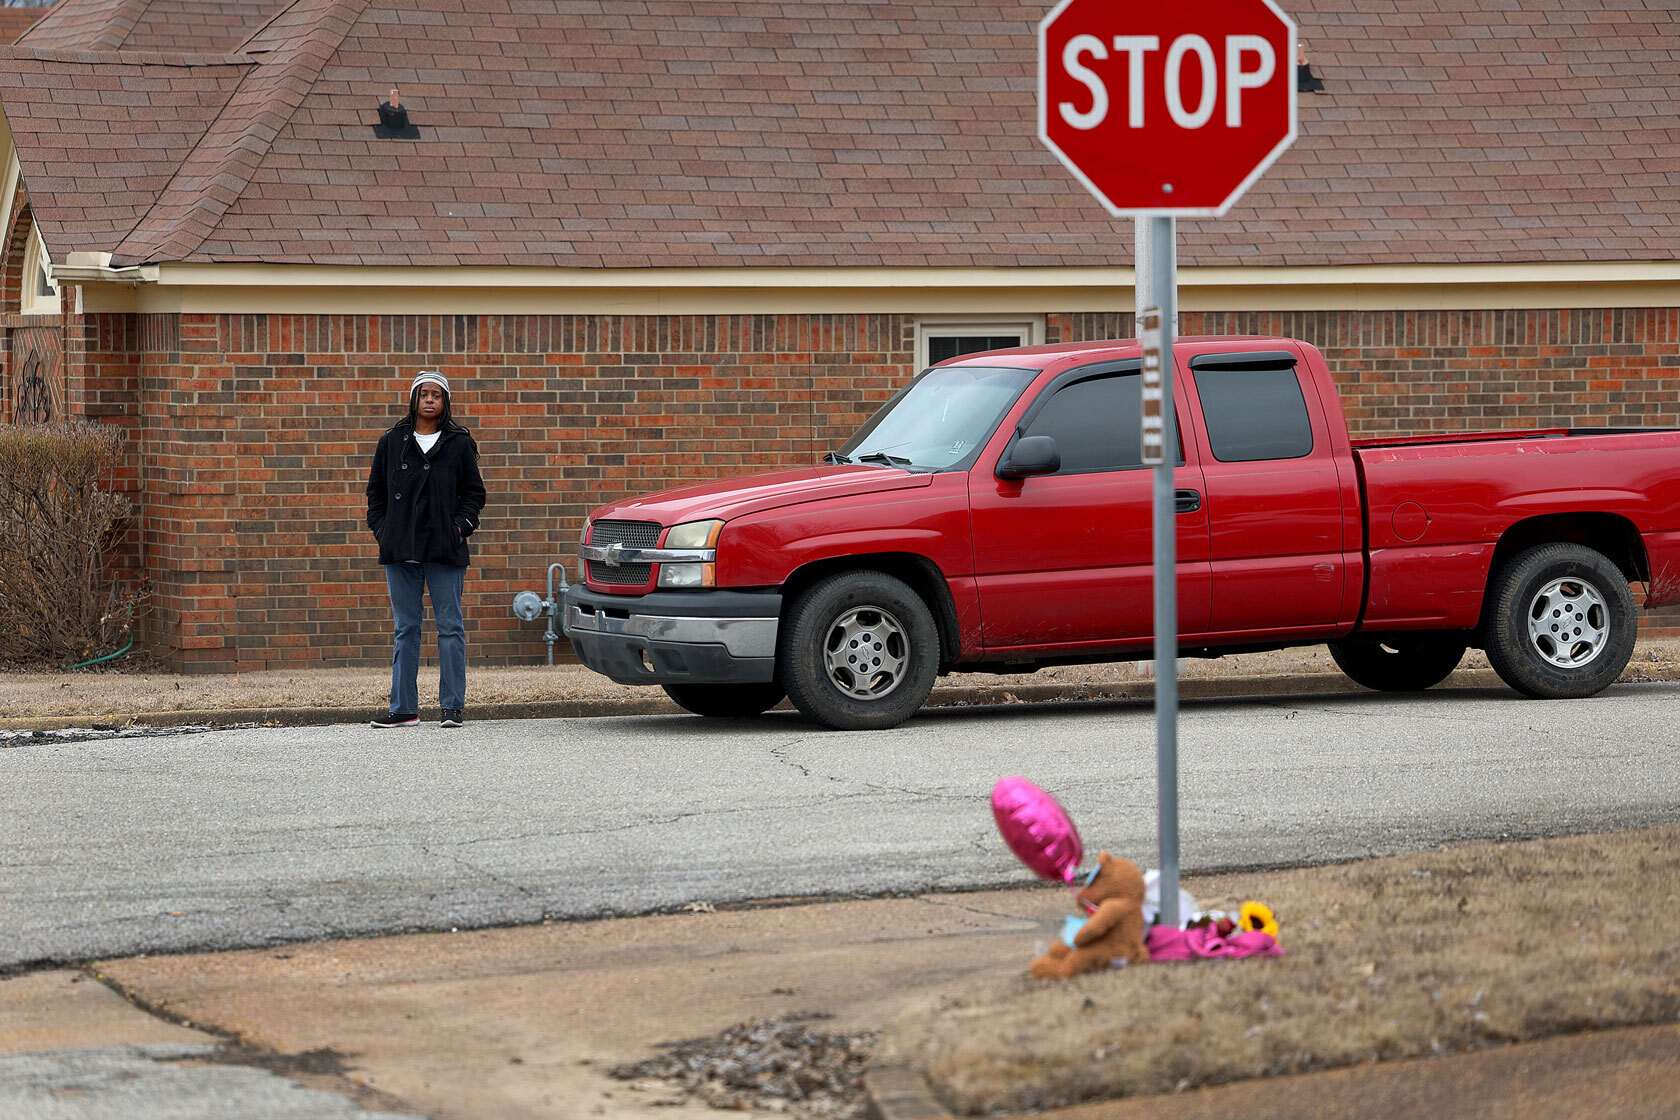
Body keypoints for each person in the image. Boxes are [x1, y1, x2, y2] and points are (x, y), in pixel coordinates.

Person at [365, 371, 487, 728]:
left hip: (444, 549)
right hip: (400, 549)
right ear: (414, 400)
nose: (430, 400)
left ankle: (452, 706)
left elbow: (474, 495)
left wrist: (458, 529)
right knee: (406, 627)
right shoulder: (392, 441)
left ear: (445, 402)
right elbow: (376, 494)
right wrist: (383, 531)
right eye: (424, 394)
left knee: (450, 626)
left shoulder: (459, 443)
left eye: (436, 394)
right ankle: (403, 708)